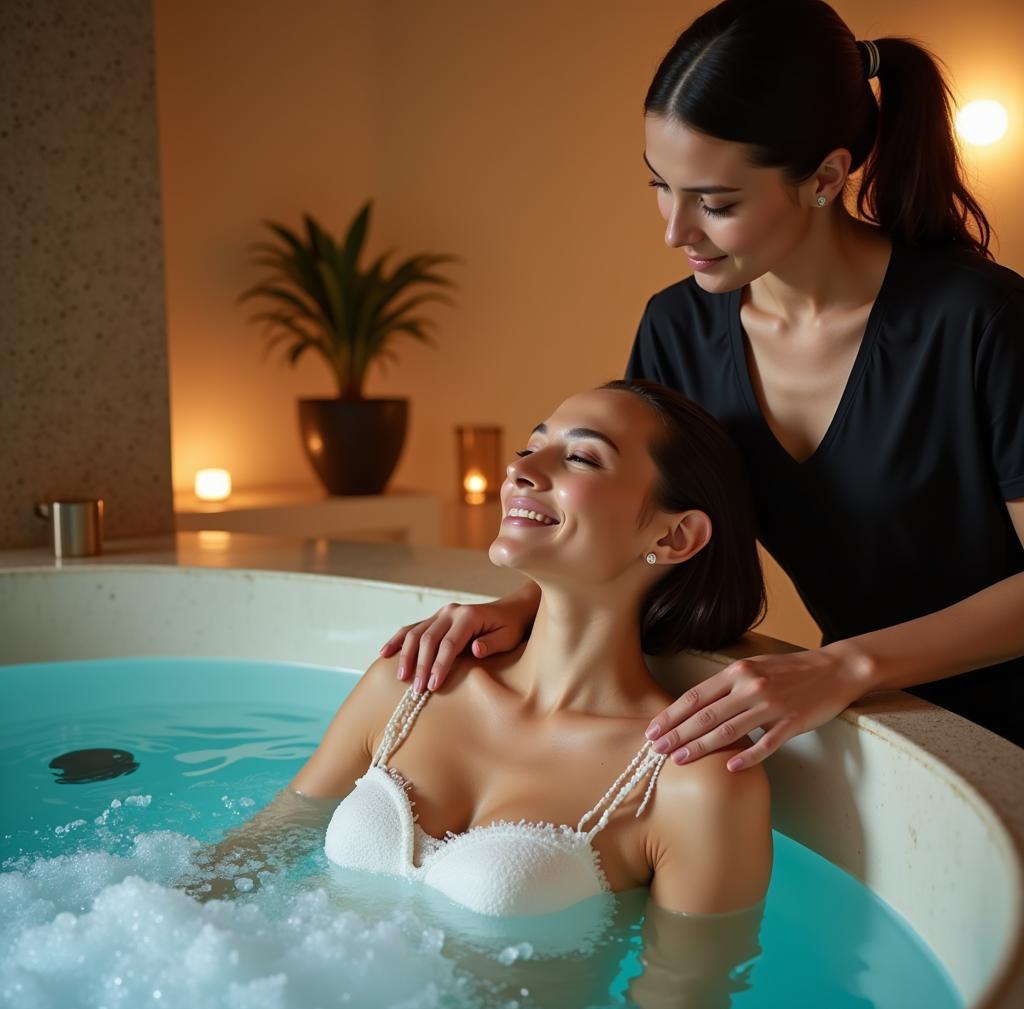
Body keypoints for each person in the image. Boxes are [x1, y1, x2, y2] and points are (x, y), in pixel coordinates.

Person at [383, 0, 1024, 756]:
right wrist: (521, 605)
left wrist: (846, 663)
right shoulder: (677, 329)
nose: (675, 231)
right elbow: (632, 530)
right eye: (660, 185)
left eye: (715, 203)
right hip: (879, 719)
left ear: (826, 177)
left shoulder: (982, 318)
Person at [184, 381, 773, 926]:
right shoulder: (411, 681)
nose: (520, 469)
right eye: (529, 447)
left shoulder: (692, 778)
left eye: (581, 458)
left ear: (674, 536)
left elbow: (683, 1000)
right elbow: (257, 850)